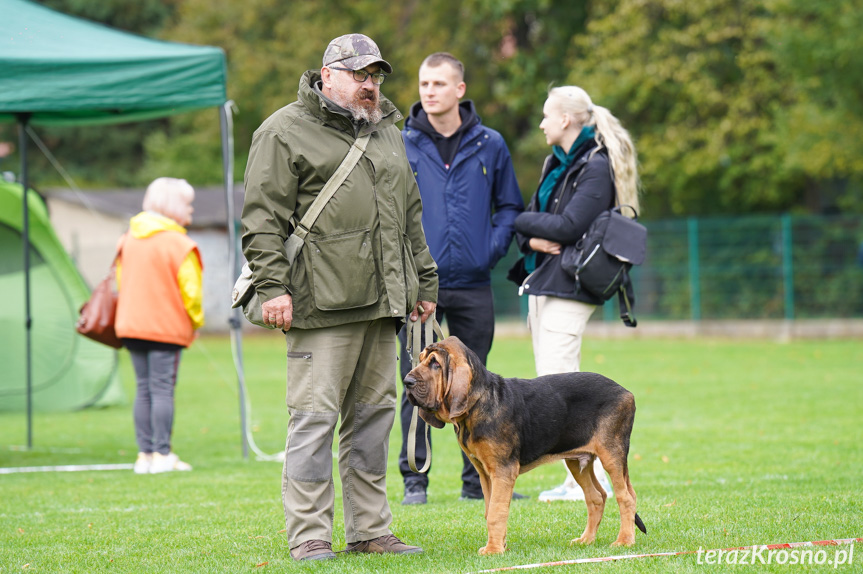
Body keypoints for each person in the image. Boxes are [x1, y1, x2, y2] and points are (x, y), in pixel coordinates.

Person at [241, 34, 438, 562]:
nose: (370, 85)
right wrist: (272, 287)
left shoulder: (389, 131)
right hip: (318, 303)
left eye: (375, 76)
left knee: (375, 418)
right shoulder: (282, 130)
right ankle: (309, 534)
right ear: (327, 75)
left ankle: (371, 530)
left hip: (382, 302)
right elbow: (261, 219)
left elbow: (410, 214)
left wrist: (424, 282)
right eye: (359, 74)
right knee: (313, 420)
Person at [397, 52, 524, 505]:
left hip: (472, 283)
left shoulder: (490, 144)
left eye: (438, 83)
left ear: (459, 90)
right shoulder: (402, 143)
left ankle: (478, 484)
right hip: (418, 287)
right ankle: (416, 480)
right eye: (423, 83)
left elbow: (510, 206)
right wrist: (408, 267)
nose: (428, 91)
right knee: (416, 381)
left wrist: (489, 252)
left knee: (477, 385)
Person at [511, 86, 640, 502]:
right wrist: (530, 236)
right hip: (544, 282)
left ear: (566, 119)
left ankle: (576, 484)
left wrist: (519, 220)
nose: (543, 123)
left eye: (547, 115)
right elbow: (541, 226)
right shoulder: (556, 162)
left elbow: (567, 227)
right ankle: (574, 481)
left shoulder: (595, 166)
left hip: (571, 285)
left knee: (558, 385)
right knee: (550, 378)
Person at [115, 177, 203, 475]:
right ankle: (163, 454)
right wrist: (195, 322)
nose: (191, 211)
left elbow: (119, 281)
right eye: (188, 205)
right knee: (163, 389)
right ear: (174, 205)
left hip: (130, 325)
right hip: (165, 327)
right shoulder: (180, 243)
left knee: (144, 389)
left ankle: (145, 456)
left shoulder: (128, 238)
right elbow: (191, 293)